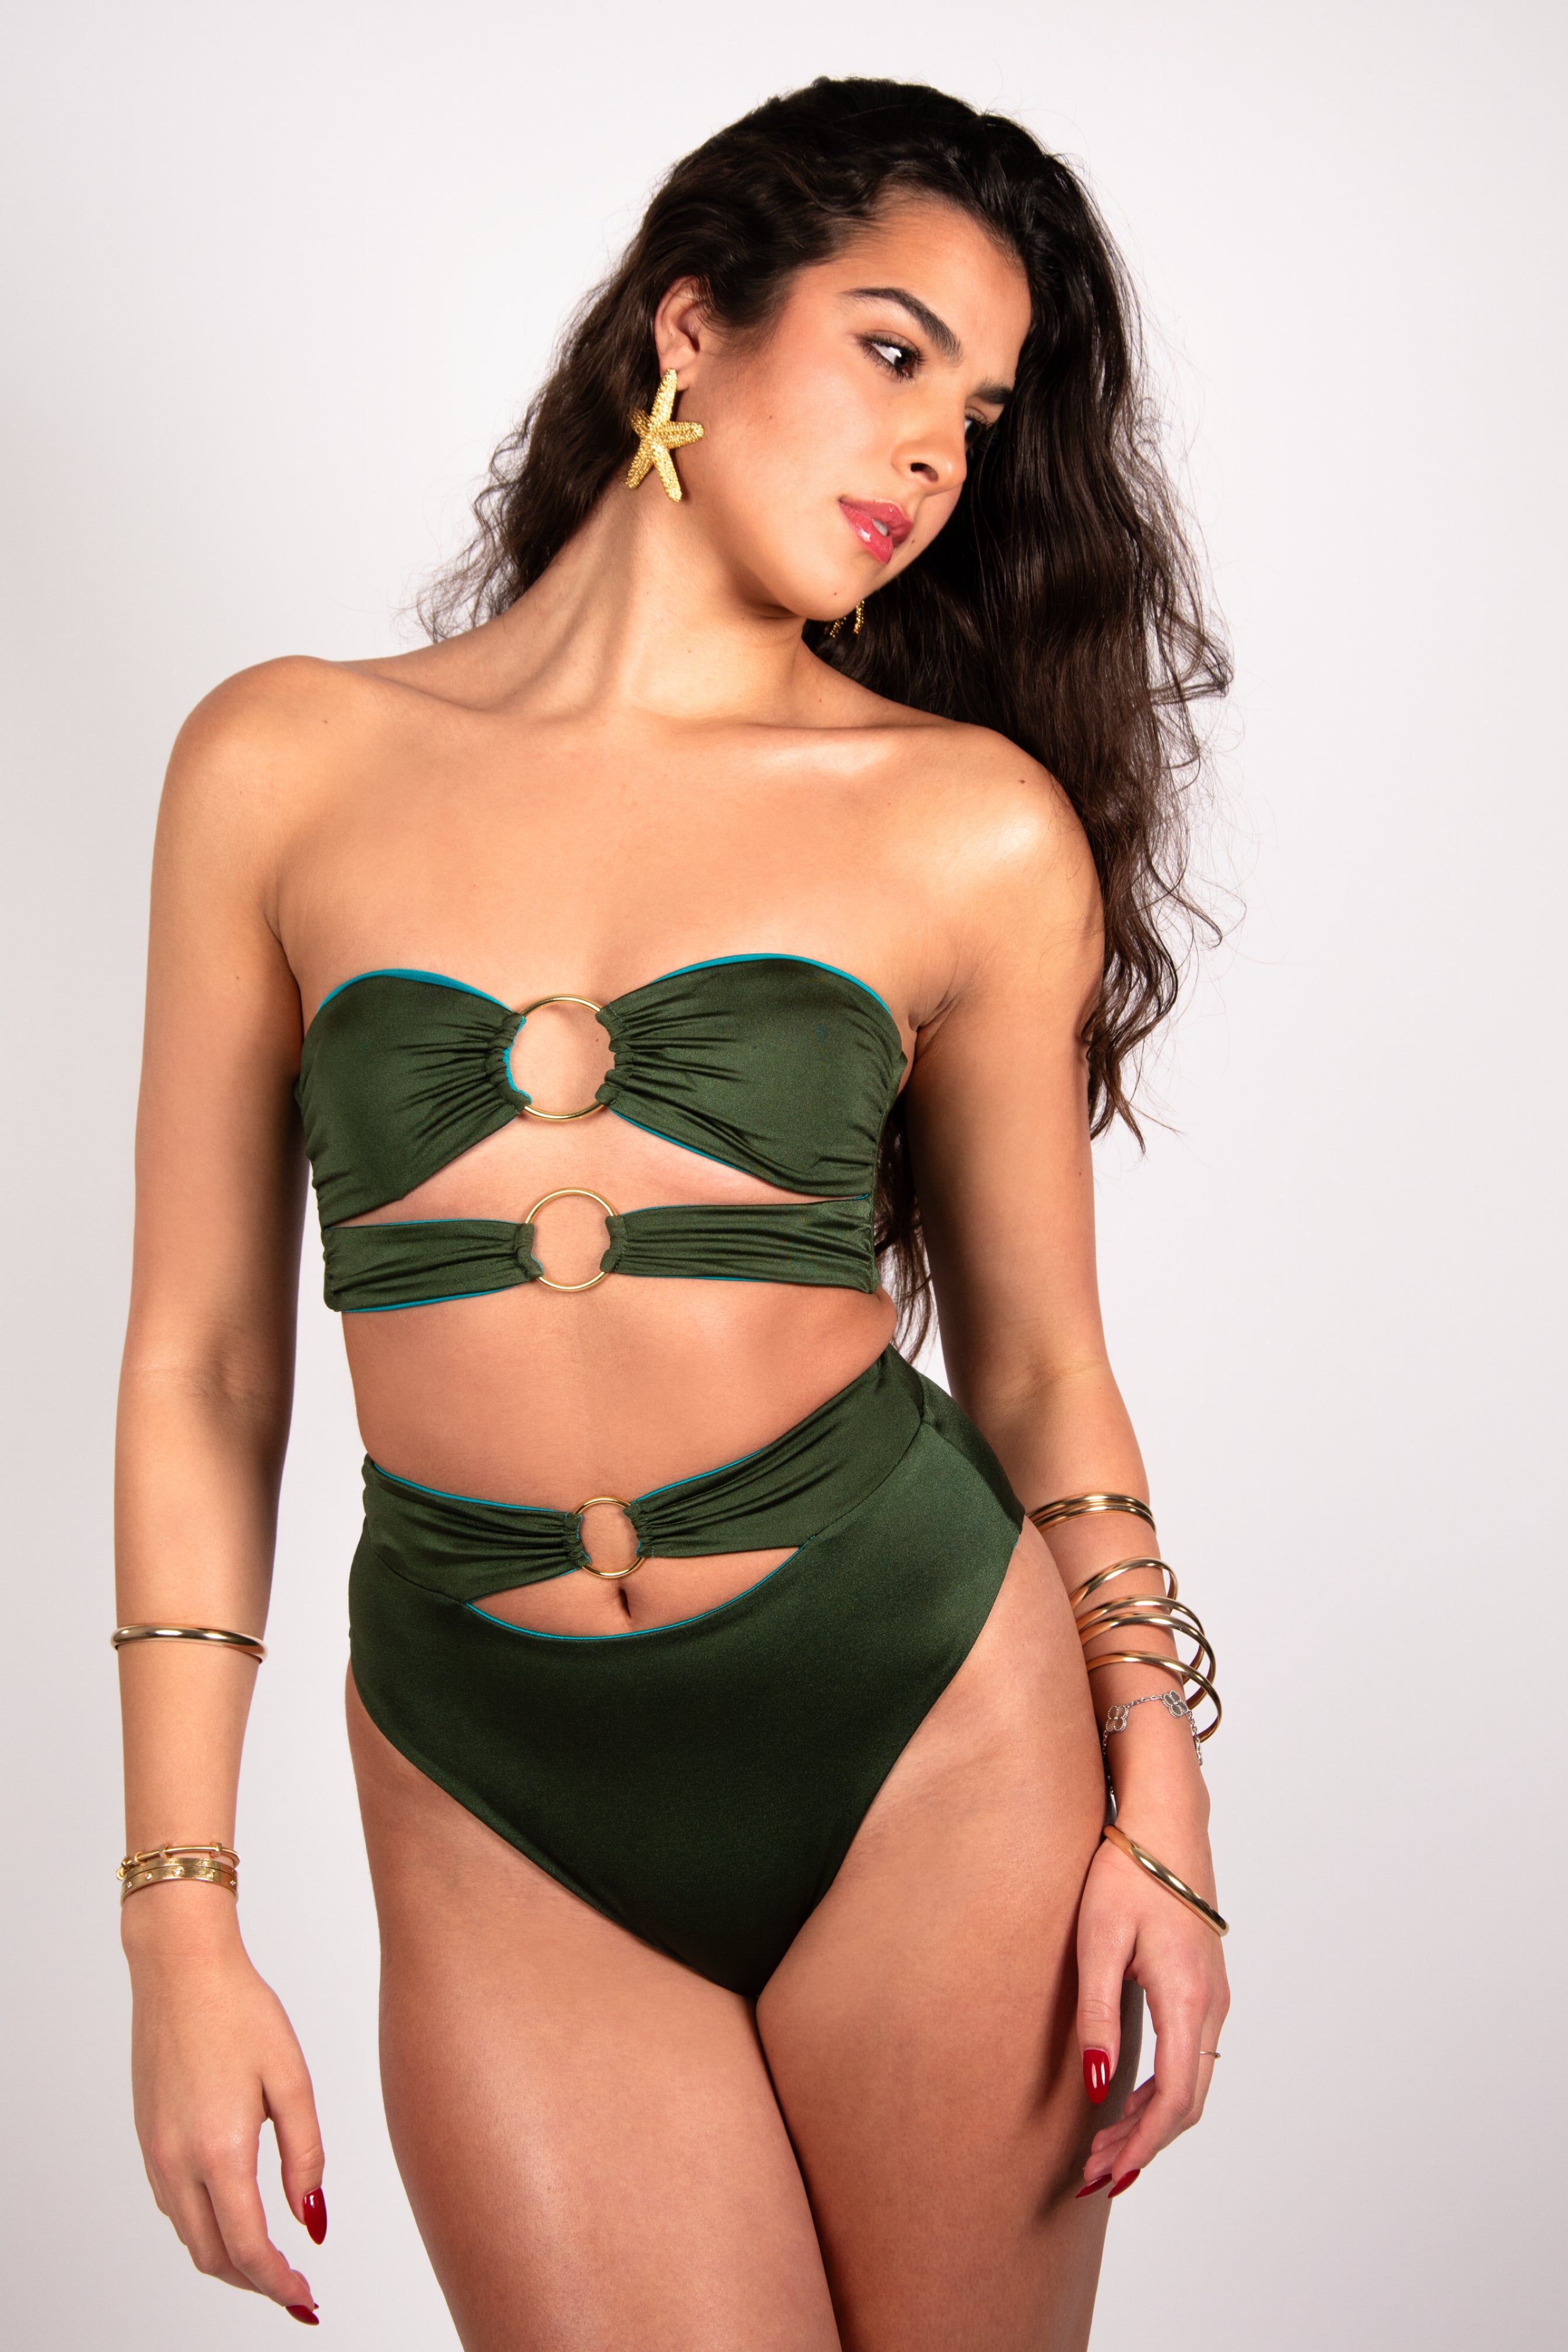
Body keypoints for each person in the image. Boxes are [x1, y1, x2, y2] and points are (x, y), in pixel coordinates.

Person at [114, 76, 1231, 2349]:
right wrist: (177, 1919)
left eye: (981, 414)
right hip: (492, 1781)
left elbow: (1037, 1364)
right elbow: (206, 1366)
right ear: (693, 322)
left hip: (921, 1723)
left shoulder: (966, 827)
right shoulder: (282, 764)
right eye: (894, 350)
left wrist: (1162, 1804)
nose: (934, 452)